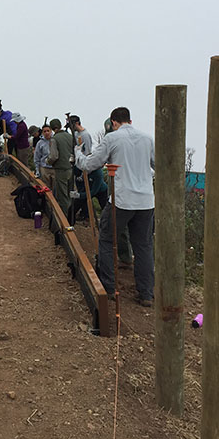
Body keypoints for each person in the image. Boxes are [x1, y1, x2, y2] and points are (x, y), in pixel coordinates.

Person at [74, 107, 155, 307]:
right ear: (130, 119)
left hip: (122, 199)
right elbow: (158, 165)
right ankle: (146, 294)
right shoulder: (147, 139)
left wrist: (78, 153)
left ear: (113, 122)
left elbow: (89, 164)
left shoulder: (112, 139)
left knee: (107, 239)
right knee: (143, 246)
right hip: (146, 201)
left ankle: (108, 287)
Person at [46, 118, 74, 217]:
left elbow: (54, 156)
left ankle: (63, 221)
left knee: (62, 197)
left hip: (61, 170)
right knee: (70, 195)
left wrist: (47, 161)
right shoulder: (70, 136)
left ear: (52, 128)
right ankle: (71, 218)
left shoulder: (54, 139)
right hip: (71, 169)